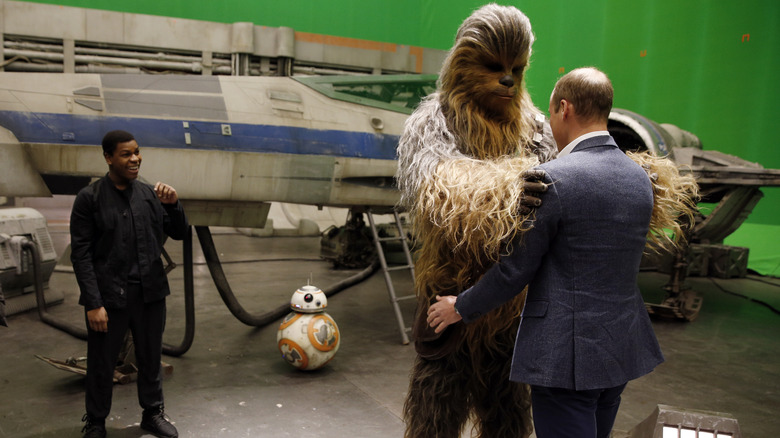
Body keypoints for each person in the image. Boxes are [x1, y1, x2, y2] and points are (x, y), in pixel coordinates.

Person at [427, 67, 667, 438]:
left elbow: (514, 271)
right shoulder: (640, 178)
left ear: (564, 108)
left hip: (566, 357)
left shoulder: (551, 180)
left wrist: (459, 307)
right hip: (620, 348)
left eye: (552, 113)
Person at [70, 130, 188, 438]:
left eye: (136, 152)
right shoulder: (90, 199)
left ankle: (153, 413)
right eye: (126, 154)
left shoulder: (149, 194)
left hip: (150, 293)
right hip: (109, 297)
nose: (134, 158)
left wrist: (174, 205)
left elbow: (179, 233)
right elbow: (81, 256)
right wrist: (94, 303)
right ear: (109, 158)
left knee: (149, 357)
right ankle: (96, 422)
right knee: (102, 362)